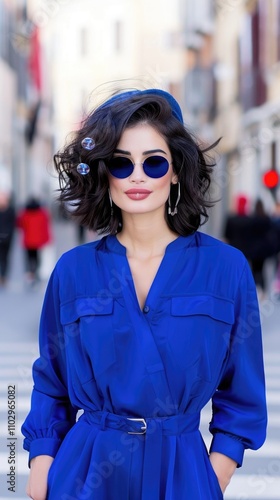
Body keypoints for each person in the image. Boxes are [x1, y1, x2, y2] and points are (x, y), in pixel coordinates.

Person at [21, 88, 267, 500]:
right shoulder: (73, 270)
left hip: (182, 473)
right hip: (84, 473)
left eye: (153, 162)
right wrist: (42, 461)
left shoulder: (226, 270)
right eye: (121, 163)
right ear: (105, 174)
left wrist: (213, 475)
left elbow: (242, 395)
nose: (137, 176)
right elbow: (51, 380)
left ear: (175, 171)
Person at [17, 196, 52, 283]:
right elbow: (45, 227)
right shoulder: (42, 213)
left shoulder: (25, 213)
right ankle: (35, 272)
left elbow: (20, 224)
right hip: (38, 241)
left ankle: (30, 273)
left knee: (29, 257)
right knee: (37, 258)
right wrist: (47, 239)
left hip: (28, 240)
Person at [0, 190, 15, 286]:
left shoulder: (11, 210)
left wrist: (8, 234)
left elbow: (13, 224)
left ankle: (4, 276)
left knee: (5, 257)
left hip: (7, 238)